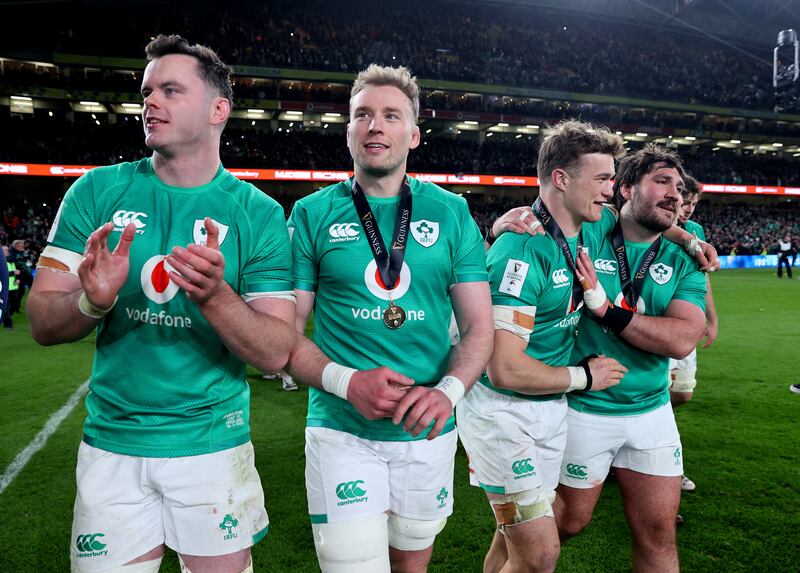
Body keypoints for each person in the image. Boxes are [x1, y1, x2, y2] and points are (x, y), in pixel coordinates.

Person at [27, 35, 295, 573]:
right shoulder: (94, 192)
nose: (150, 102)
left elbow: (274, 352)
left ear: (219, 108)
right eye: (148, 91)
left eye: (171, 90)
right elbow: (40, 318)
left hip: (214, 447)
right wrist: (92, 304)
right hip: (112, 445)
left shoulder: (257, 213)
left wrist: (217, 297)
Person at [286, 64, 494, 573]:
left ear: (414, 134)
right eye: (363, 115)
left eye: (390, 115)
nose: (375, 125)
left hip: (427, 429)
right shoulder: (312, 214)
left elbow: (479, 328)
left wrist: (447, 392)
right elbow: (284, 331)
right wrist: (344, 381)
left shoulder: (451, 213)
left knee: (411, 566)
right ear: (349, 131)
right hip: (341, 429)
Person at [457, 121, 629, 573]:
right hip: (504, 413)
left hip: (549, 409)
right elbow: (505, 369)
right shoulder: (522, 249)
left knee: (511, 538)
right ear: (560, 179)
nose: (610, 191)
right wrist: (586, 376)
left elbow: (643, 216)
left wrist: (689, 238)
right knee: (539, 555)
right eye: (601, 180)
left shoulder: (591, 225)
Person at [555, 145, 708, 573]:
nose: (675, 193)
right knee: (567, 520)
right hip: (584, 407)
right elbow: (543, 211)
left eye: (678, 187)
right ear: (623, 188)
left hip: (652, 412)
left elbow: (681, 339)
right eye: (661, 181)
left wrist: (607, 310)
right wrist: (505, 220)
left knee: (659, 535)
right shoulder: (589, 227)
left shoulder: (686, 255)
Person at [669, 175, 719, 493]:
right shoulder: (646, 224)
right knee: (655, 396)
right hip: (654, 319)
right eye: (684, 201)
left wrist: (711, 319)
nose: (687, 209)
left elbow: (703, 281)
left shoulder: (696, 232)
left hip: (686, 319)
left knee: (682, 394)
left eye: (693, 204)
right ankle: (670, 469)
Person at [3, 244, 21, 330]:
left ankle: (5, 318)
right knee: (7, 307)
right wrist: (13, 273)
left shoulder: (11, 261)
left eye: (7, 250)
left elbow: (17, 272)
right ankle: (8, 324)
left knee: (15, 305)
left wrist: (18, 278)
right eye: (5, 250)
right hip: (4, 289)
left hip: (13, 287)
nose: (7, 251)